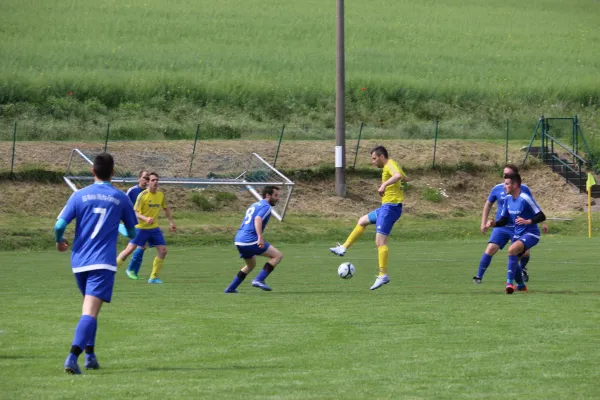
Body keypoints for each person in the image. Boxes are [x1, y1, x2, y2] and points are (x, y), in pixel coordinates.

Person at [55, 152, 138, 374]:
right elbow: (132, 232)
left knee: (89, 309)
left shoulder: (79, 195)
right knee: (90, 313)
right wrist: (120, 227)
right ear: (113, 172)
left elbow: (59, 226)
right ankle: (73, 357)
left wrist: (59, 240)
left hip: (79, 262)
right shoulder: (121, 198)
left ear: (92, 171)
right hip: (102, 263)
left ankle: (90, 356)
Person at [329, 146, 407, 290]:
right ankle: (343, 248)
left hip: (390, 208)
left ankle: (383, 275)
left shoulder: (390, 165)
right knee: (362, 221)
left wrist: (384, 184)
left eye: (374, 158)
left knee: (380, 242)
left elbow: (398, 176)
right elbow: (404, 177)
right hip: (386, 207)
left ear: (381, 156)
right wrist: (399, 185)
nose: (373, 161)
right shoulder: (392, 164)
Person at [473, 164, 548, 284]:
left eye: (508, 174)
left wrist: (541, 222)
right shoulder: (499, 189)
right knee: (492, 248)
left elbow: (536, 208)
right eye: (504, 174)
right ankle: (479, 277)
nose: (504, 176)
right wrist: (487, 223)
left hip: (520, 228)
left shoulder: (524, 191)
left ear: (515, 179)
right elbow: (489, 205)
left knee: (519, 254)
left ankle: (519, 277)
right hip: (502, 226)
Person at [116, 172, 176, 284]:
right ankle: (110, 273)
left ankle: (153, 278)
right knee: (129, 250)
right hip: (141, 228)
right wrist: (145, 218)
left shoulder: (160, 195)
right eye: (153, 180)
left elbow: (165, 208)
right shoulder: (142, 195)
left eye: (157, 180)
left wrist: (171, 222)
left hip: (154, 228)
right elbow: (135, 212)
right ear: (148, 182)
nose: (156, 182)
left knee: (163, 251)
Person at [224, 185, 284, 293]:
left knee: (250, 265)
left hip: (239, 240)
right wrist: (260, 237)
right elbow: (257, 219)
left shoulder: (255, 205)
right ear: (267, 195)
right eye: (275, 195)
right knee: (277, 256)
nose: (277, 198)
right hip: (250, 240)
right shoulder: (266, 206)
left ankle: (231, 288)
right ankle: (259, 279)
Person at [117, 170, 150, 280]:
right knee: (132, 248)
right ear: (139, 178)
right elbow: (123, 204)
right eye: (145, 178)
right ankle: (126, 269)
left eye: (148, 179)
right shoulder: (133, 191)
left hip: (143, 225)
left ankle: (130, 270)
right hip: (133, 224)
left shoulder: (148, 193)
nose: (146, 181)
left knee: (140, 247)